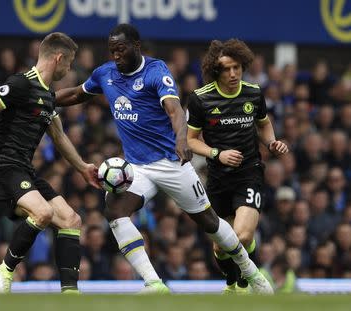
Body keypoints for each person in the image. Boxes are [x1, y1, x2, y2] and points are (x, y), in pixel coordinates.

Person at [56, 24, 273, 294]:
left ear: (136, 46)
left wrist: (182, 140)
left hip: (171, 163)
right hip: (137, 167)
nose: (116, 55)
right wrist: (46, 99)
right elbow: (77, 93)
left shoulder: (156, 71)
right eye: (112, 50)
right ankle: (154, 283)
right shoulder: (105, 74)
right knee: (114, 209)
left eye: (121, 49)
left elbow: (175, 111)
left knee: (212, 224)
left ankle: (252, 273)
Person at [0, 32, 99, 293]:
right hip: (3, 166)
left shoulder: (48, 95)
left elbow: (60, 136)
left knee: (71, 220)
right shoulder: (21, 83)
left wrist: (83, 167)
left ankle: (70, 293)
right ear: (59, 58)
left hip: (24, 169)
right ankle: (5, 270)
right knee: (42, 212)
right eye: (69, 63)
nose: (69, 69)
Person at [186, 39, 289, 293]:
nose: (233, 74)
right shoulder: (201, 99)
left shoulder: (253, 93)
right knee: (221, 246)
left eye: (237, 68)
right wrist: (216, 153)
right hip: (219, 179)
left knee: (242, 236)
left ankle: (244, 283)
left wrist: (272, 142)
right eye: (226, 69)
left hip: (249, 173)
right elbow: (189, 141)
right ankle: (232, 283)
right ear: (215, 70)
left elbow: (263, 124)